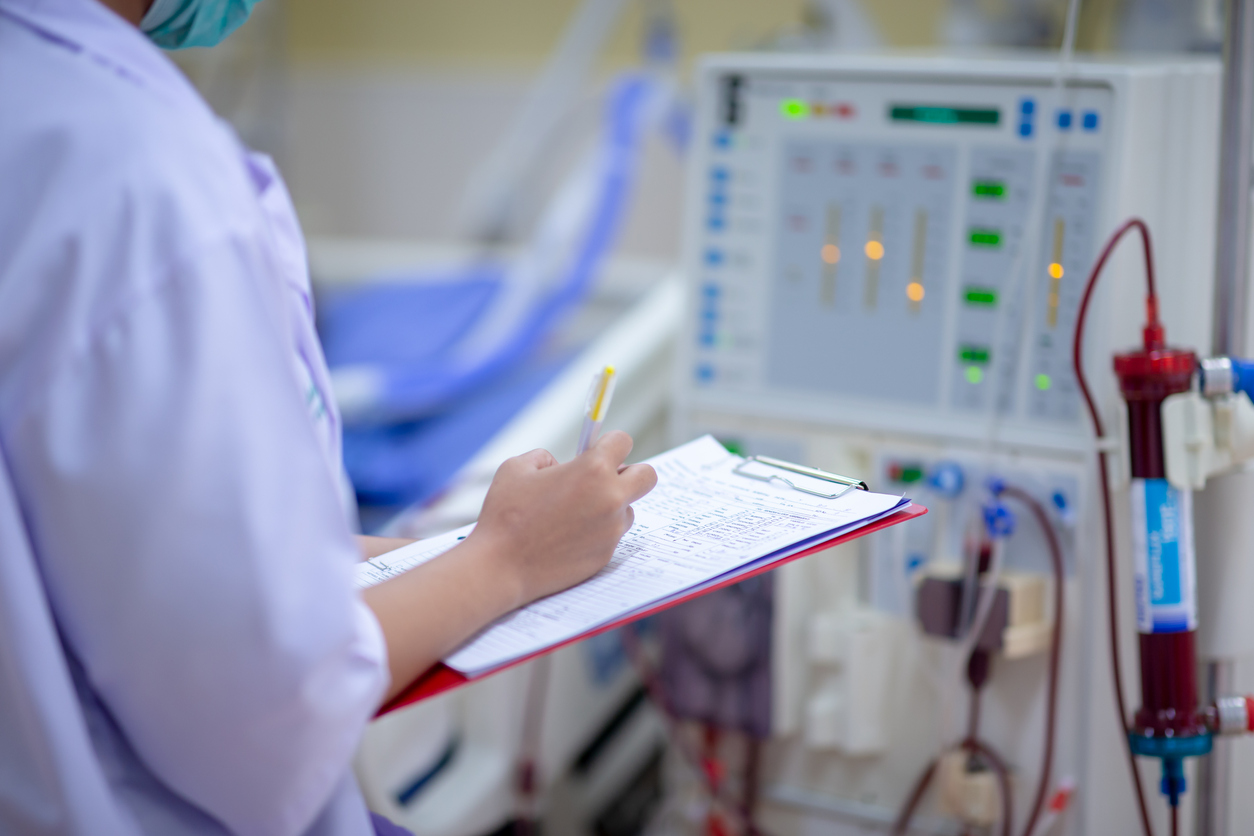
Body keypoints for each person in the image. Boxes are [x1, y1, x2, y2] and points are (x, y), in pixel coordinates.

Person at [0, 0, 658, 833]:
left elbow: (112, 540)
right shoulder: (137, 175)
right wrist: (506, 561)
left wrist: (457, 550)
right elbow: (269, 700)